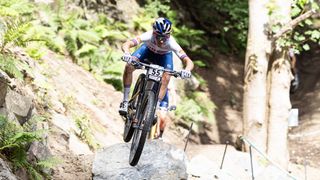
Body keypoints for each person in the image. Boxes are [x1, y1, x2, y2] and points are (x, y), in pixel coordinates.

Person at [118, 17, 194, 115]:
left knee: (166, 77)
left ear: (169, 35)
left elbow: (188, 61)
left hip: (164, 57)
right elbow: (128, 43)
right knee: (129, 66)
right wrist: (127, 53)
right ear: (154, 33)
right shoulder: (148, 35)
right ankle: (125, 101)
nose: (162, 41)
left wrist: (187, 70)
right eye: (159, 37)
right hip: (147, 52)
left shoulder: (172, 43)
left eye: (165, 37)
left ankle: (154, 109)